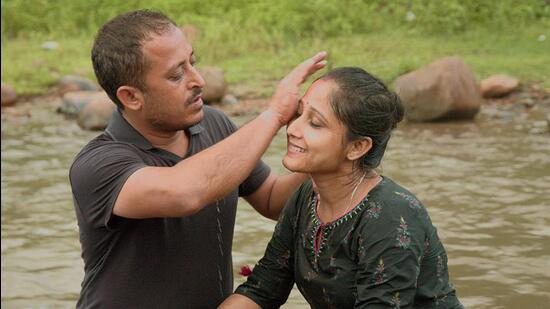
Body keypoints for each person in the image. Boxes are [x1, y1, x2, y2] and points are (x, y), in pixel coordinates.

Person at [69, 9, 327, 308]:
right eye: (177, 74)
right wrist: (274, 115)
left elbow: (272, 199)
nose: (199, 80)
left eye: (193, 62)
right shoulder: (98, 164)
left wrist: (323, 152)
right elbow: (184, 192)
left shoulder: (214, 124)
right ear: (131, 97)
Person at [220, 67, 463, 308]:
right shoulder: (305, 198)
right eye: (299, 114)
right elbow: (262, 290)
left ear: (357, 147)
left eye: (315, 123)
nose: (292, 129)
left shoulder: (391, 214)